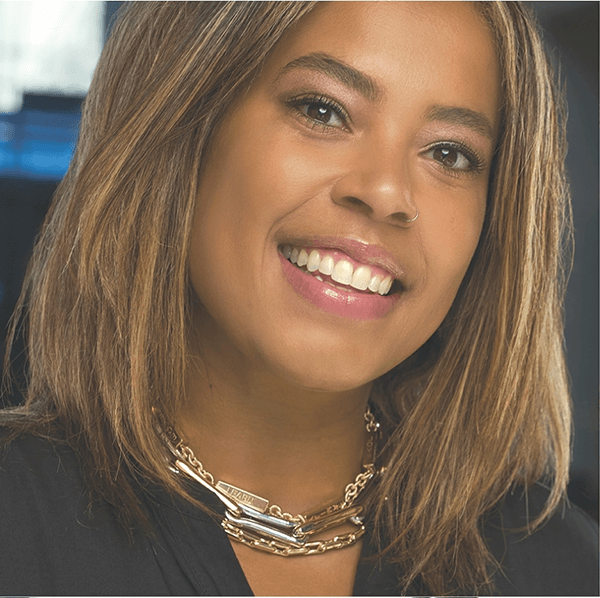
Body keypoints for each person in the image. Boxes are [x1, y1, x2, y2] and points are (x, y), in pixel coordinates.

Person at [0, 2, 597, 596]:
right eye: (323, 110)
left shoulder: (565, 573)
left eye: (449, 153)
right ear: (185, 124)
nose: (387, 192)